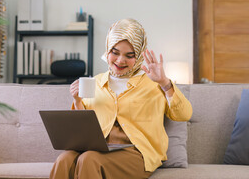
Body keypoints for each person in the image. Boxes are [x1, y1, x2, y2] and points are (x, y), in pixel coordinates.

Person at [49, 18, 193, 179]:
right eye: (115, 52)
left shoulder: (154, 83)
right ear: (108, 51)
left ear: (138, 56)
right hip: (100, 148)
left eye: (129, 55)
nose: (120, 60)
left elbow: (184, 115)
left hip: (137, 153)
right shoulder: (95, 82)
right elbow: (82, 131)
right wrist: (77, 101)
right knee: (64, 159)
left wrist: (165, 82)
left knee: (90, 160)